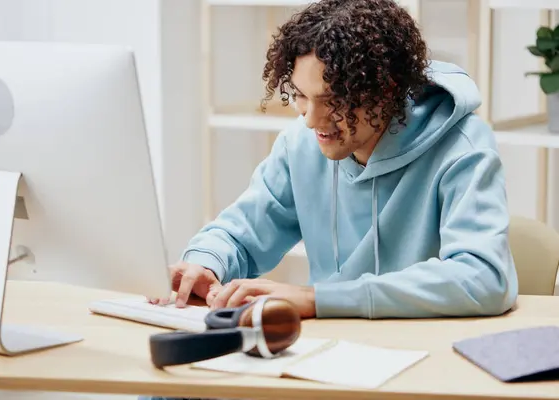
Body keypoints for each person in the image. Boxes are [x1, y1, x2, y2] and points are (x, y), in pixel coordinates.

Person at [142, 0, 519, 398]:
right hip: (322, 358)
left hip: (419, 366)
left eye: (334, 101)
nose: (311, 120)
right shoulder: (301, 144)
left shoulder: (462, 147)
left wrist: (316, 299)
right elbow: (240, 232)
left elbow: (483, 276)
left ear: (385, 89)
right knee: (170, 389)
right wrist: (204, 263)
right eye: (302, 96)